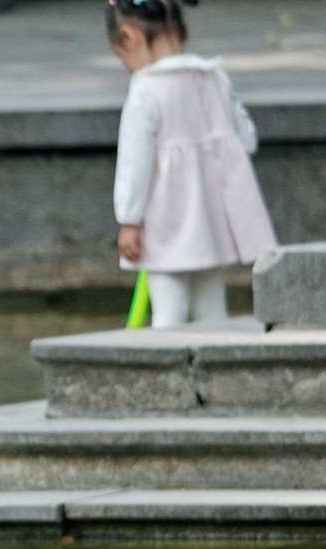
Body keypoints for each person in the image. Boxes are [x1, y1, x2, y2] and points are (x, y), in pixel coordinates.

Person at [106, 0, 277, 328]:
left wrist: (129, 220)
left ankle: (166, 377)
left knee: (168, 315)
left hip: (167, 224)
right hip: (212, 226)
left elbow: (134, 162)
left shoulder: (144, 91)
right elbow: (246, 139)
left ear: (129, 38)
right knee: (212, 313)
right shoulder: (215, 78)